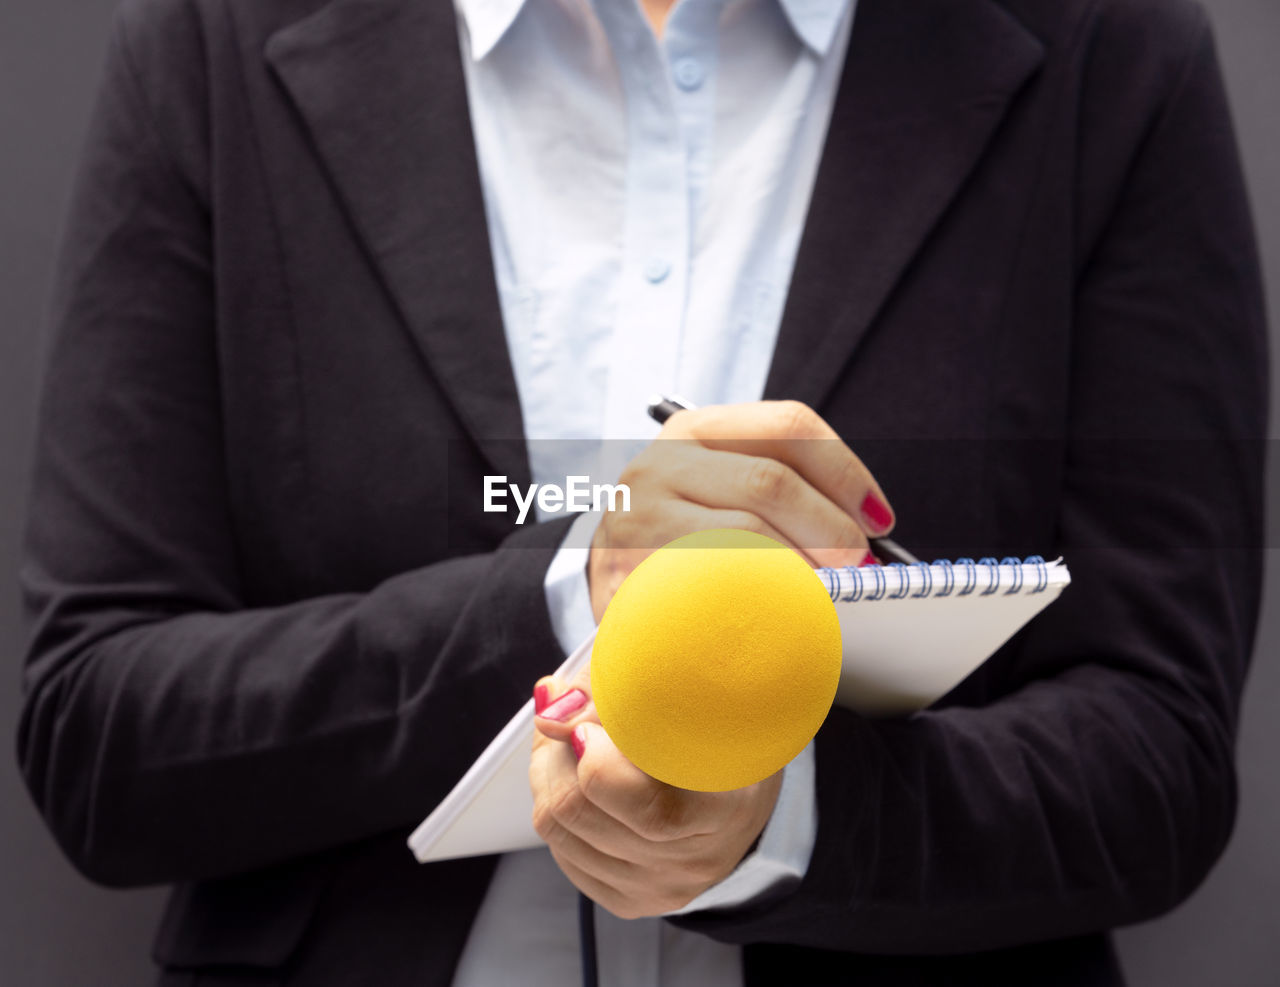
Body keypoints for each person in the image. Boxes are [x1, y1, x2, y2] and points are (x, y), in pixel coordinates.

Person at [17, 0, 1267, 983]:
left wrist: (784, 822)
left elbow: (1156, 757)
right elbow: (99, 734)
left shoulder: (1105, 49)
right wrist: (574, 592)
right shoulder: (212, 40)